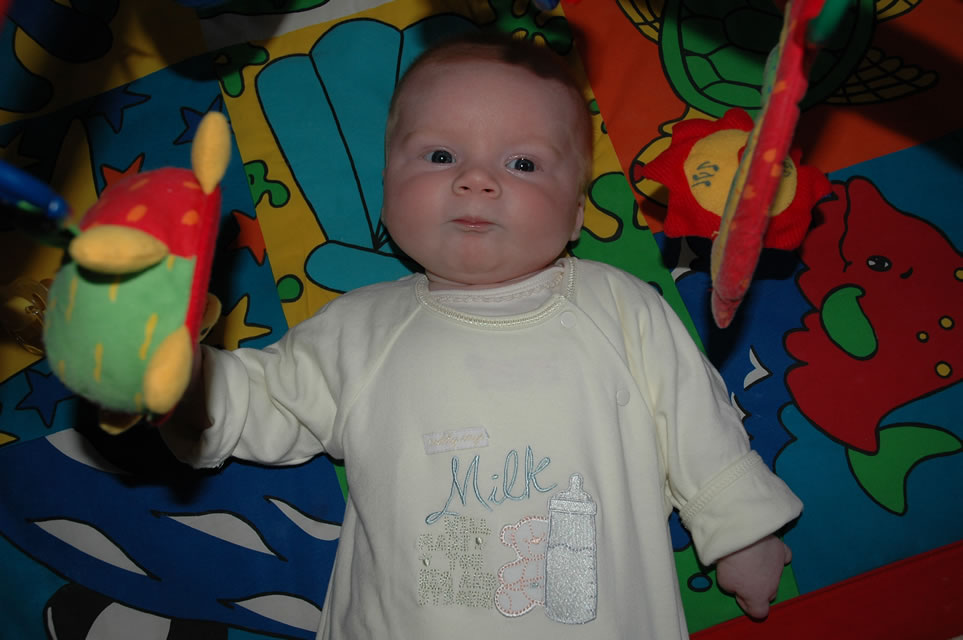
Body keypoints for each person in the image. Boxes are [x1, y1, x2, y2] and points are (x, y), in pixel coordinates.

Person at [162, 33, 802, 639]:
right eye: (440, 156)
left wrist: (740, 527)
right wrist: (171, 375)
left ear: (577, 212)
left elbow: (695, 418)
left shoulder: (619, 306)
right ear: (386, 188)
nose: (476, 179)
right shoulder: (358, 329)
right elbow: (260, 401)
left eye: (523, 163)